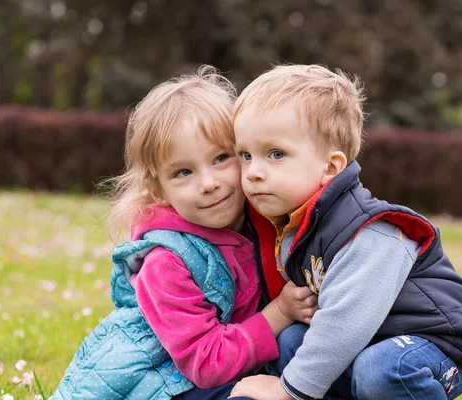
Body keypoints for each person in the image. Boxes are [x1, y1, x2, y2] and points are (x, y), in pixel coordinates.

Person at [50, 66, 318, 400]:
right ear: (157, 189)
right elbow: (205, 364)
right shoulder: (165, 262)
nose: (208, 184)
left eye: (222, 158)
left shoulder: (260, 218)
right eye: (183, 172)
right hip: (163, 384)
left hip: (224, 368)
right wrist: (279, 313)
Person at [229, 64, 462, 400]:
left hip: (434, 345)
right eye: (246, 156)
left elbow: (345, 323)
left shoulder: (367, 231)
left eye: (276, 154)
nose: (253, 172)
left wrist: (287, 390)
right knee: (291, 341)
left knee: (382, 370)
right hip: (373, 341)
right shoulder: (295, 226)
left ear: (330, 168)